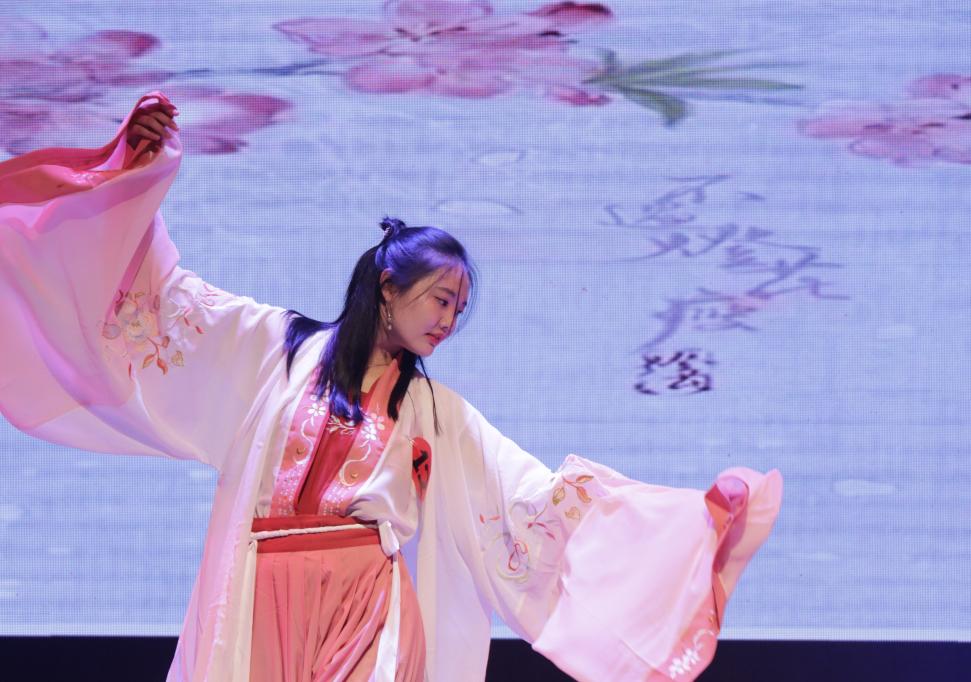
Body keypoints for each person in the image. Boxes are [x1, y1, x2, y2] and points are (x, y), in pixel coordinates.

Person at [0, 91, 783, 682]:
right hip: (258, 591)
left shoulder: (433, 412)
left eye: (460, 309)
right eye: (440, 299)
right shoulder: (277, 347)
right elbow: (163, 303)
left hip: (364, 603)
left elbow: (533, 499)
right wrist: (138, 170)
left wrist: (690, 526)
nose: (449, 319)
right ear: (387, 287)